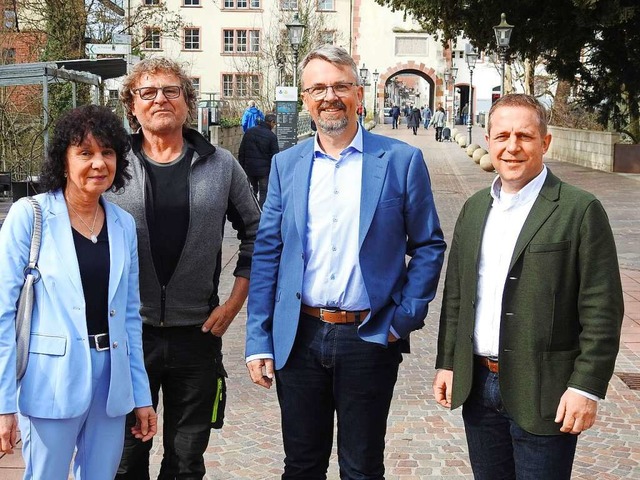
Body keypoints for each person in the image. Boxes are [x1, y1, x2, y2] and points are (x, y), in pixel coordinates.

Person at [246, 45, 446, 479]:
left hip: (369, 335)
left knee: (362, 467)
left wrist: (403, 318)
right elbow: (268, 253)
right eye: (317, 87)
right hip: (298, 335)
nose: (328, 96)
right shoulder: (287, 165)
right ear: (305, 98)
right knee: (301, 465)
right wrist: (258, 337)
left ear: (359, 93)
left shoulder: (400, 161)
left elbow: (429, 244)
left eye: (339, 86)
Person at [433, 94, 624, 480]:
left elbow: (602, 308)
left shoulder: (579, 210)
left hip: (546, 390)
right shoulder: (473, 209)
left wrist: (586, 387)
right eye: (502, 135)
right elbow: (457, 295)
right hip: (478, 386)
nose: (512, 146)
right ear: (488, 140)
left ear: (545, 143)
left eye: (525, 135)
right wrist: (448, 362)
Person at [109, 57, 260, 479]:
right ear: (132, 106)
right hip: (128, 336)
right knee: (124, 458)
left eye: (171, 90)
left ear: (188, 103)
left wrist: (233, 304)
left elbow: (257, 232)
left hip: (198, 335)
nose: (160, 99)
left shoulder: (221, 165)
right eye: (148, 92)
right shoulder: (111, 165)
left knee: (186, 460)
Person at [0, 105, 156, 479]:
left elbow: (130, 316)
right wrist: (4, 403)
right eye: (85, 153)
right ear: (63, 160)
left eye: (107, 152)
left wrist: (141, 394)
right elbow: (4, 314)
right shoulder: (30, 215)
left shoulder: (122, 224)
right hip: (50, 378)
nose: (99, 163)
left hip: (111, 380)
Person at [238, 113, 280, 208]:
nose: (274, 126)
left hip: (249, 168)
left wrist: (242, 167)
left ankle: (252, 211)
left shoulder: (249, 132)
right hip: (264, 171)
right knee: (264, 192)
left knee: (251, 192)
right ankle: (261, 213)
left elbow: (241, 151)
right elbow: (275, 156)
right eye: (274, 124)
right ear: (272, 122)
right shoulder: (271, 136)